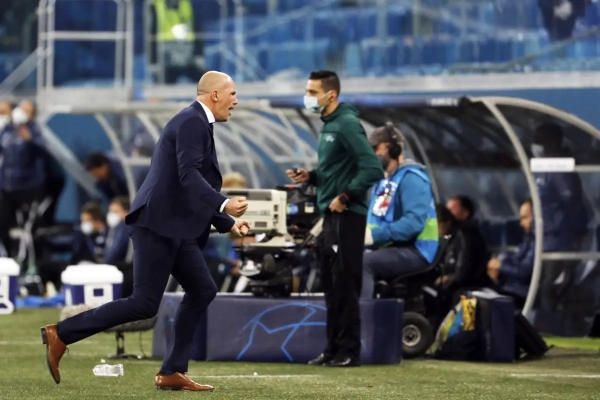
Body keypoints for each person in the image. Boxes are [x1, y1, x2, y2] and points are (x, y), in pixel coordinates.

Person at [41, 71, 251, 392]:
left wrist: (228, 223)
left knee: (202, 290)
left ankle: (172, 371)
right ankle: (61, 333)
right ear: (214, 95)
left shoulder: (197, 122)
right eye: (232, 93)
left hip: (175, 227)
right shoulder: (191, 121)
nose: (236, 100)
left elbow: (187, 186)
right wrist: (223, 204)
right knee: (144, 303)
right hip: (157, 225)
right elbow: (189, 177)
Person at [286, 70, 383, 367]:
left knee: (344, 283)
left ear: (331, 95)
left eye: (312, 92)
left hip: (347, 216)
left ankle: (349, 351)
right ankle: (332, 349)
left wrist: (346, 196)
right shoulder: (329, 126)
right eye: (307, 91)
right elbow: (336, 170)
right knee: (330, 283)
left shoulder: (347, 124)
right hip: (330, 216)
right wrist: (311, 176)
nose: (307, 97)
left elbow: (372, 168)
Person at [360, 124, 438, 299]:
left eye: (375, 149)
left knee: (364, 263)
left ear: (392, 149)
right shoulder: (382, 182)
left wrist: (374, 236)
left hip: (416, 250)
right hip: (391, 246)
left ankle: (361, 314)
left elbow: (413, 224)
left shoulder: (412, 178)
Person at [0, 100, 48, 257]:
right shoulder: (8, 130)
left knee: (28, 227)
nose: (21, 112)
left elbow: (44, 150)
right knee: (3, 223)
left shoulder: (34, 130)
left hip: (28, 187)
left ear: (32, 115)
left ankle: (30, 260)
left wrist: (30, 139)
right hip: (7, 187)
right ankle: (9, 255)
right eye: (20, 108)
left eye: (26, 110)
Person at [487, 199, 535, 310]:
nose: (521, 223)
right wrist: (498, 267)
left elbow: (524, 272)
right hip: (512, 288)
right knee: (469, 298)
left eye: (525, 218)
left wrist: (500, 266)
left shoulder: (539, 243)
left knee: (477, 303)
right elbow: (515, 260)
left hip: (523, 293)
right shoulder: (529, 239)